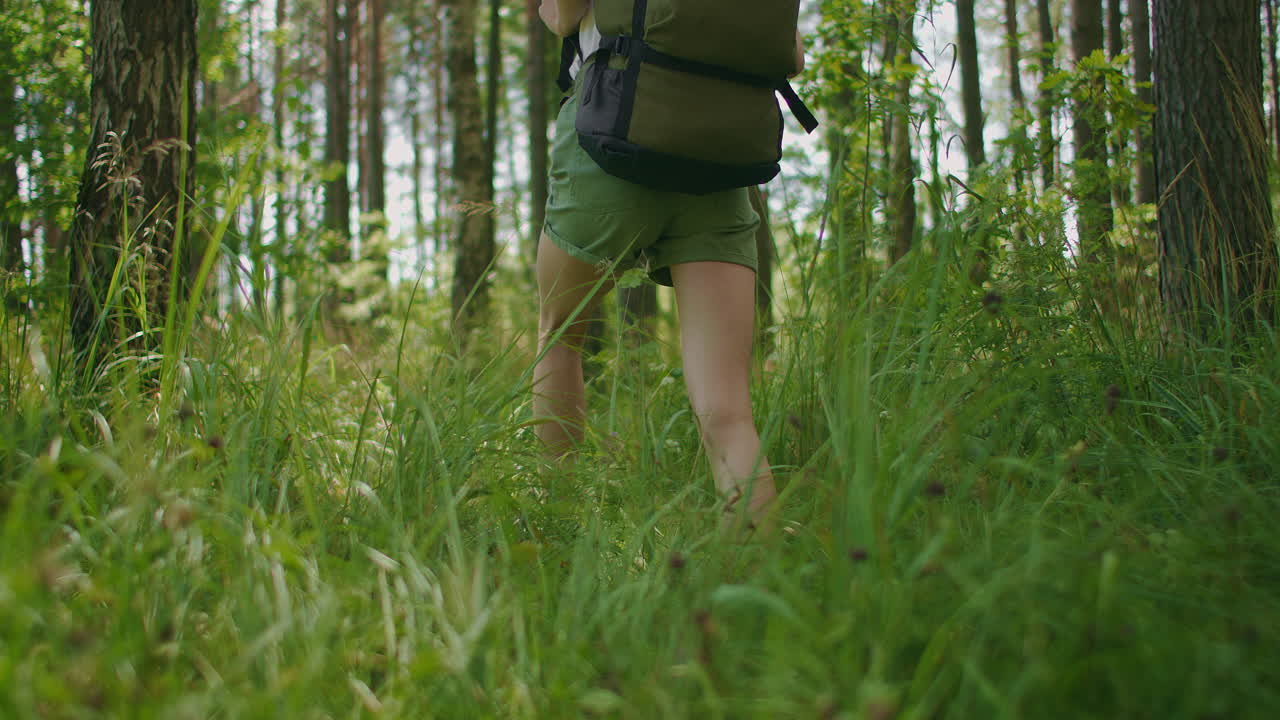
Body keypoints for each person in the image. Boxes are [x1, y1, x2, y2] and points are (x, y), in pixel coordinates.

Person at [534, 0, 804, 534]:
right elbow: (790, 54)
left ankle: (556, 523)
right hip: (719, 161)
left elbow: (564, 15)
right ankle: (763, 573)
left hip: (609, 131)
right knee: (728, 410)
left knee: (560, 335)